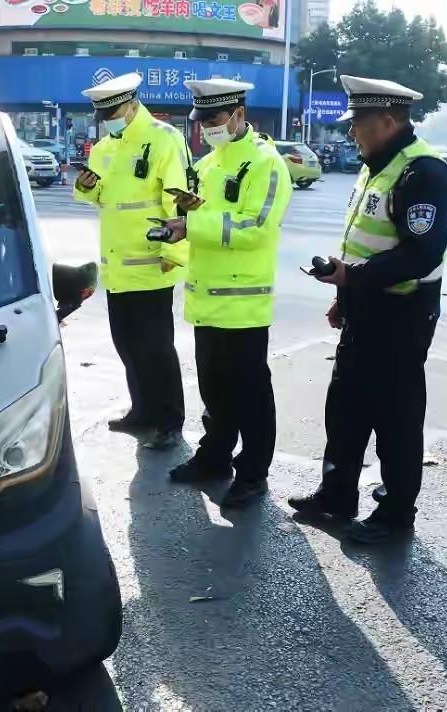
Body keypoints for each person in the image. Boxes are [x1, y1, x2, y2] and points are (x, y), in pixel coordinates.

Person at [287, 75, 447, 544]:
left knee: (395, 416)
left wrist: (353, 279)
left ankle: (395, 515)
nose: (350, 131)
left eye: (357, 122)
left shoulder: (423, 172)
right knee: (346, 407)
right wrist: (346, 296)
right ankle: (336, 496)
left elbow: (421, 254)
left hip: (402, 313)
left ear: (387, 120)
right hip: (366, 308)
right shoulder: (376, 166)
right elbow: (362, 241)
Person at [160, 78, 292, 508]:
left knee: (250, 395)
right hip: (206, 299)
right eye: (202, 122)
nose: (206, 129)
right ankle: (214, 457)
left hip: (243, 304)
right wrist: (183, 219)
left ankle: (253, 473)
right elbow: (208, 216)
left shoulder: (265, 163)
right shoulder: (210, 162)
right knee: (214, 391)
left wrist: (193, 224)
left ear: (238, 114)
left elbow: (256, 228)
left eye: (214, 120)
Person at [74, 73, 192, 450]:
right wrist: (87, 189)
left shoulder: (163, 138)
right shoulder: (104, 148)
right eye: (101, 113)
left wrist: (174, 252)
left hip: (151, 264)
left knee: (156, 347)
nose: (106, 118)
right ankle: (141, 411)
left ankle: (170, 420)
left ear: (130, 104)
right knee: (126, 344)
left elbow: (178, 198)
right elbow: (101, 199)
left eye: (111, 110)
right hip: (115, 265)